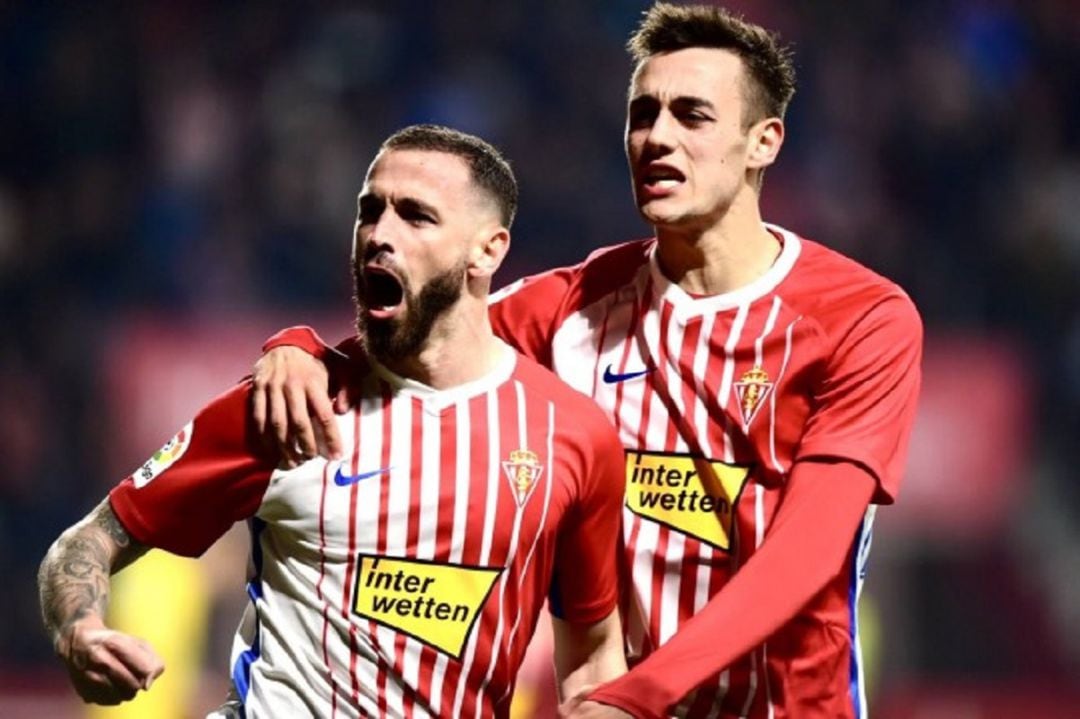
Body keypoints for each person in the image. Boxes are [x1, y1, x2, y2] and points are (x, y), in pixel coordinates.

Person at [254, 4, 923, 718]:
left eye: (691, 116)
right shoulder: (566, 308)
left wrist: (637, 695)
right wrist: (298, 349)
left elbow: (804, 555)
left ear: (764, 142)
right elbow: (414, 345)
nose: (657, 137)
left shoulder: (861, 319)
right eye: (643, 115)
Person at [37, 124, 629, 718]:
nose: (379, 235)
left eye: (416, 216)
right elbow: (87, 540)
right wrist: (79, 629)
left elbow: (593, 661)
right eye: (370, 211)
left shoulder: (572, 437)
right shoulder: (288, 405)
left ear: (487, 250)